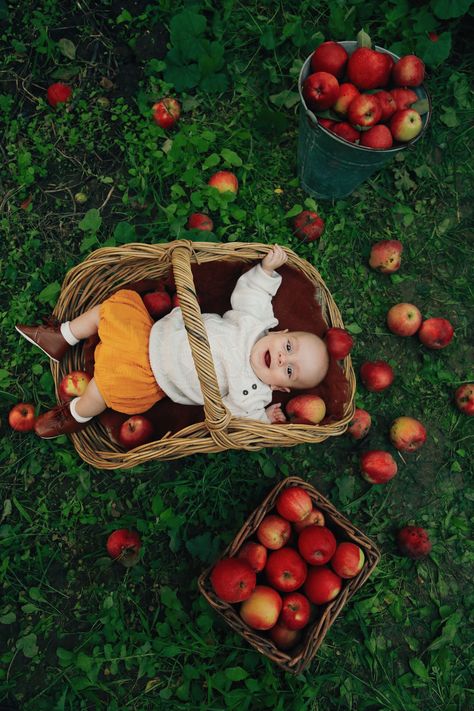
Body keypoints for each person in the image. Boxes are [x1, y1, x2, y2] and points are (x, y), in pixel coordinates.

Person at [16, 245, 329, 438]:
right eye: (288, 348)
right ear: (281, 333)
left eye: (289, 371)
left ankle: (76, 414)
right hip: (150, 333)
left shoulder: (253, 391)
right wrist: (265, 271)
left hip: (152, 377)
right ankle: (64, 336)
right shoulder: (256, 323)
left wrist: (264, 418)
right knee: (118, 305)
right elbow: (254, 294)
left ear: (281, 389)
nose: (281, 359)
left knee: (107, 387)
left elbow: (237, 419)